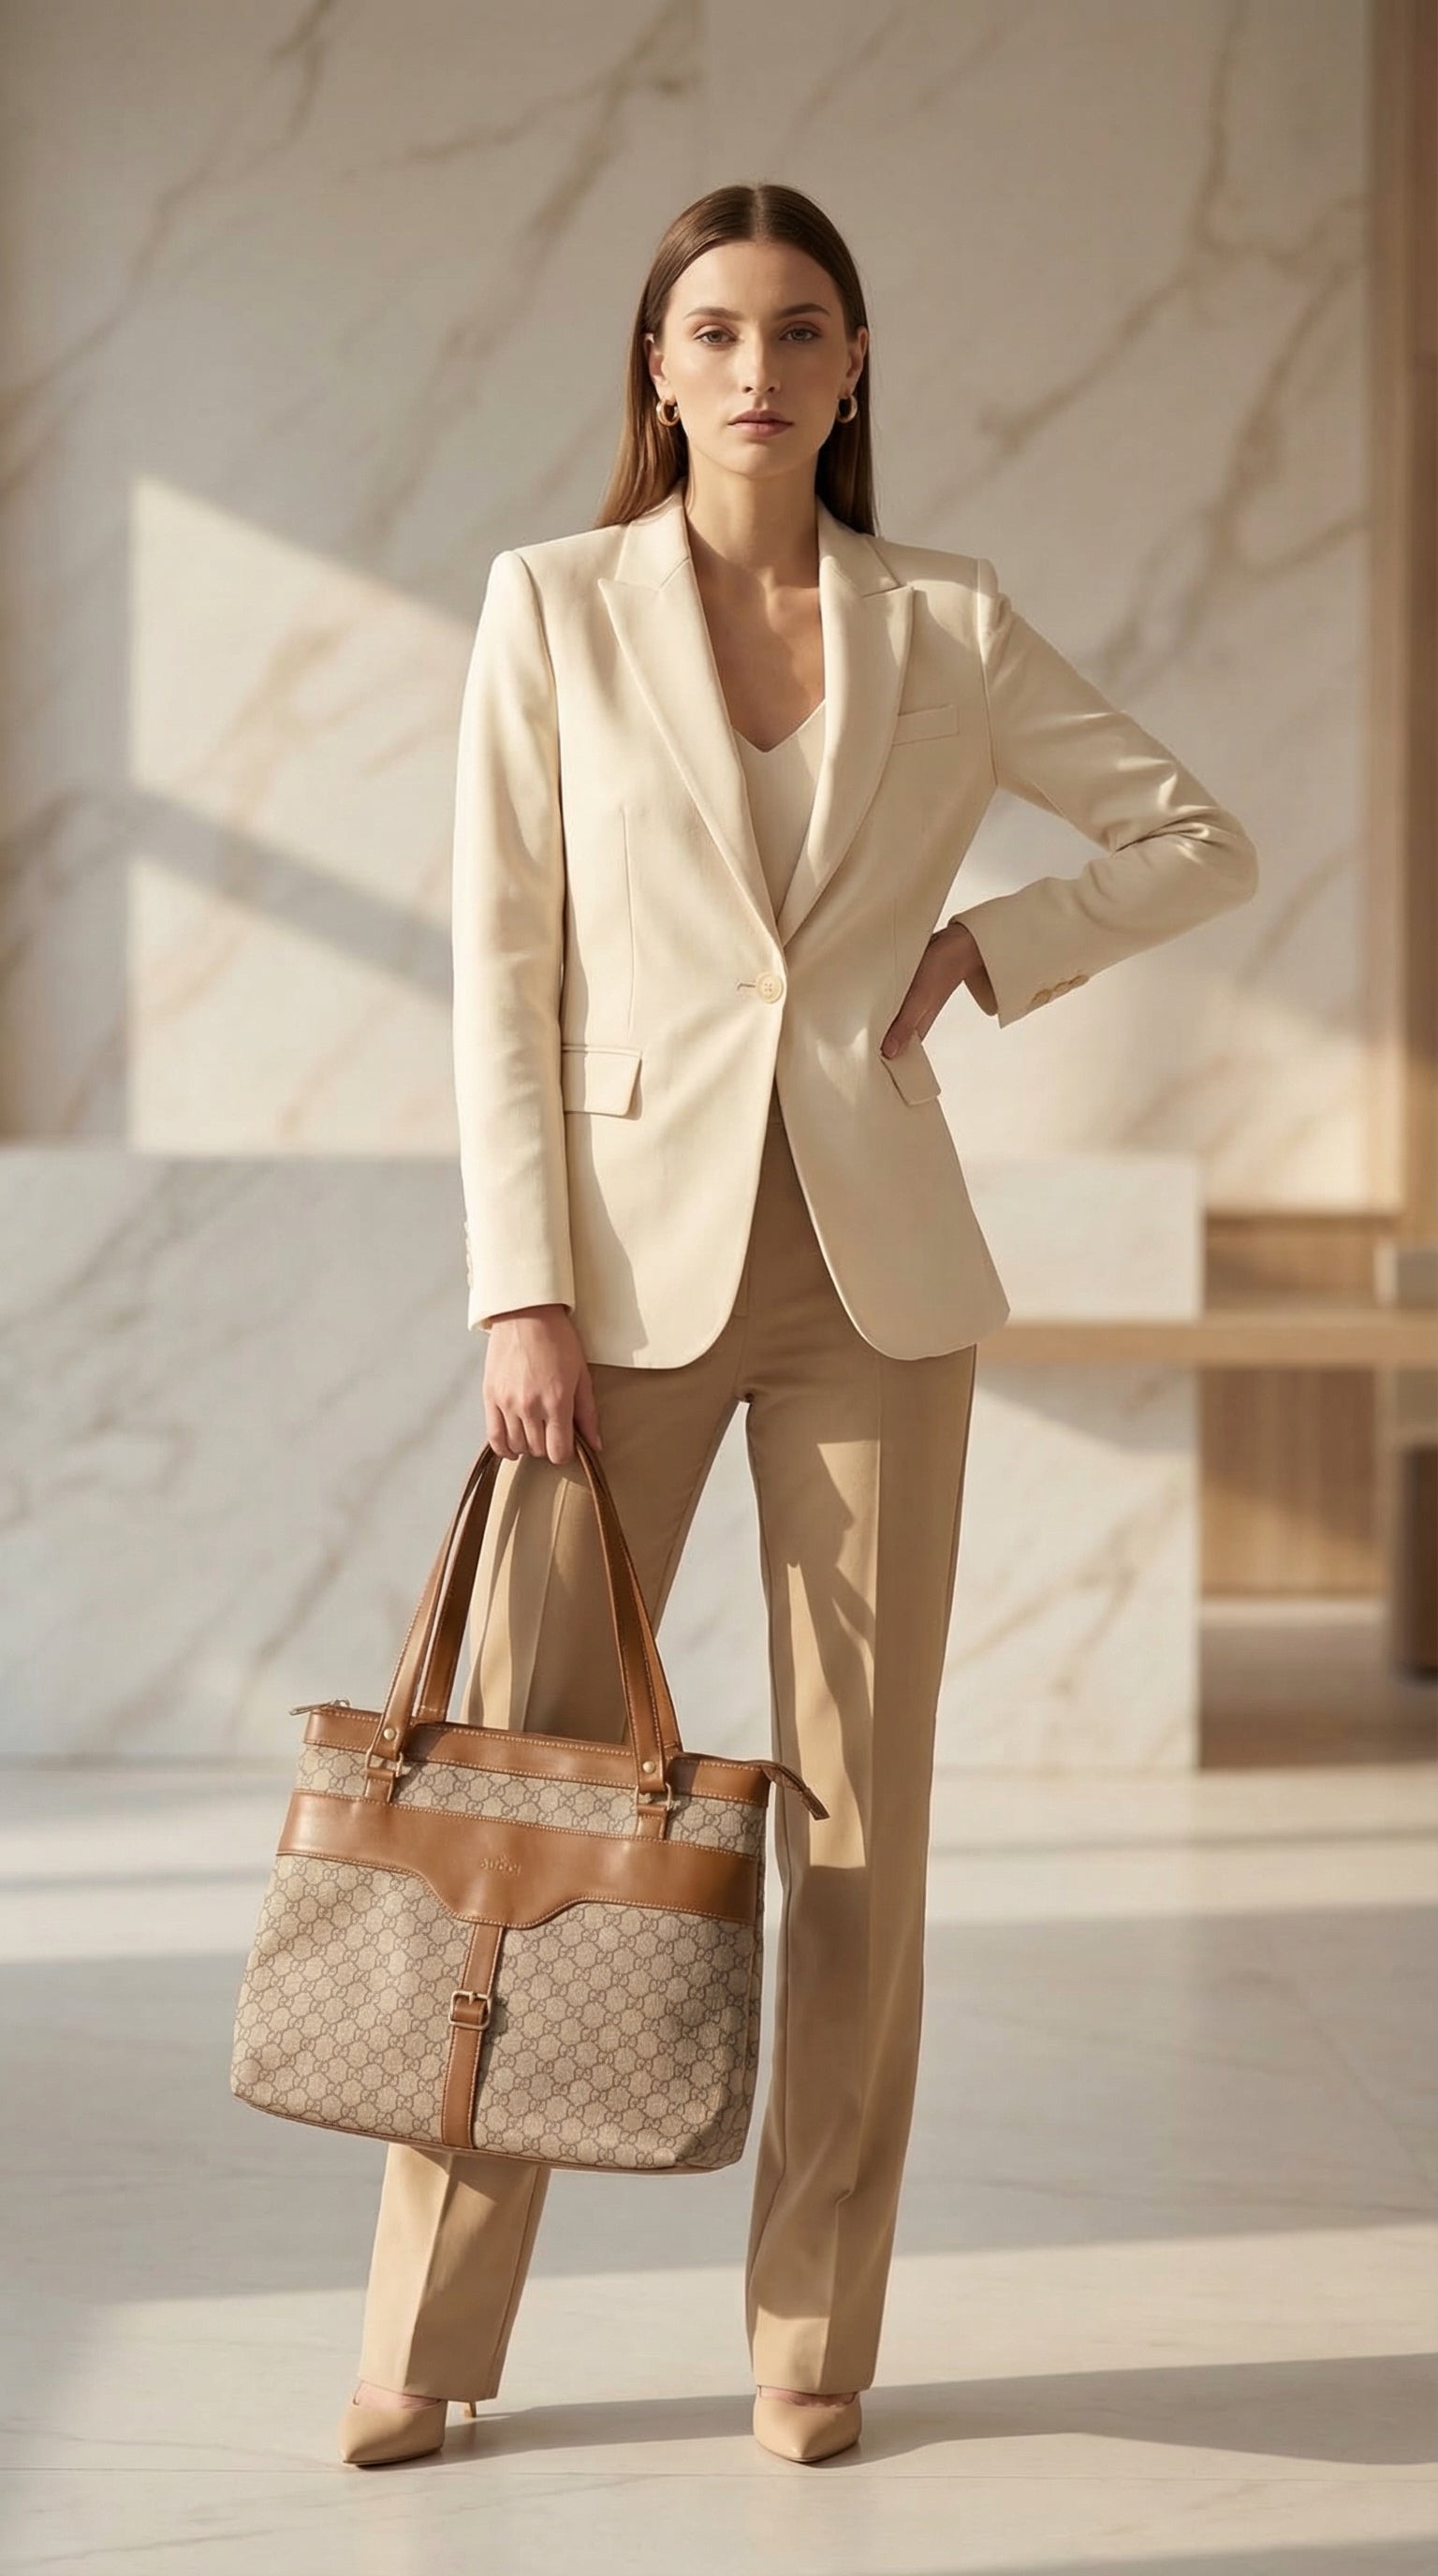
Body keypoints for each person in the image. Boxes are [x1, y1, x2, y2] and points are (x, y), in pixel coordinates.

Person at [339, 182, 1258, 2470]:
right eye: (718, 327)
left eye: (805, 329)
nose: (760, 366)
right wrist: (516, 1281)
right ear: (657, 364)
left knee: (862, 1815)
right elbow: (505, 971)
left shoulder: (945, 622)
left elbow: (1193, 835)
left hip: (875, 1277)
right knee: (531, 1797)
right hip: (615, 1286)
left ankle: (813, 2324)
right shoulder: (548, 609)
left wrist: (995, 949)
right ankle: (425, 2335)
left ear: (855, 370)